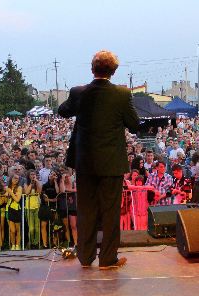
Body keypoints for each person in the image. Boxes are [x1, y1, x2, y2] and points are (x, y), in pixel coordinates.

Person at [58, 50, 139, 270]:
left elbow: (62, 111)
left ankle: (85, 257)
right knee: (110, 211)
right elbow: (134, 124)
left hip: (85, 162)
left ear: (92, 69)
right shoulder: (122, 95)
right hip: (111, 162)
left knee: (86, 209)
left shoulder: (78, 92)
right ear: (113, 72)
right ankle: (107, 259)